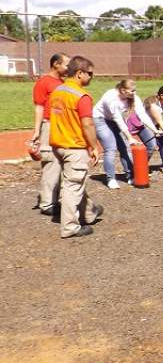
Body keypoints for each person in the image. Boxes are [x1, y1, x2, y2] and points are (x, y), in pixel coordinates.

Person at [48, 55, 103, 238]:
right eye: (90, 74)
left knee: (75, 181)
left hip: (58, 145)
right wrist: (94, 146)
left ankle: (89, 213)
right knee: (73, 185)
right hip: (74, 147)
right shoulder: (82, 96)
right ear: (80, 73)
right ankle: (70, 227)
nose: (91, 77)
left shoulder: (57, 91)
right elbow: (87, 124)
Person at [29, 53, 70, 217]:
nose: (69, 67)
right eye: (66, 64)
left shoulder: (63, 83)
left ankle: (57, 199)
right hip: (49, 125)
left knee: (62, 163)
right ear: (56, 64)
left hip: (62, 127)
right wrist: (37, 132)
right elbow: (39, 107)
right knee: (51, 163)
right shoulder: (44, 82)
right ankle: (47, 204)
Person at [93, 79, 142, 189]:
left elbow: (140, 113)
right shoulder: (110, 98)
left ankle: (130, 176)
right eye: (132, 91)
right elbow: (118, 118)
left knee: (125, 147)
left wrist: (155, 129)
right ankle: (111, 179)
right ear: (123, 90)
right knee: (110, 148)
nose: (135, 93)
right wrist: (129, 137)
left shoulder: (130, 98)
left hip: (113, 120)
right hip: (100, 119)